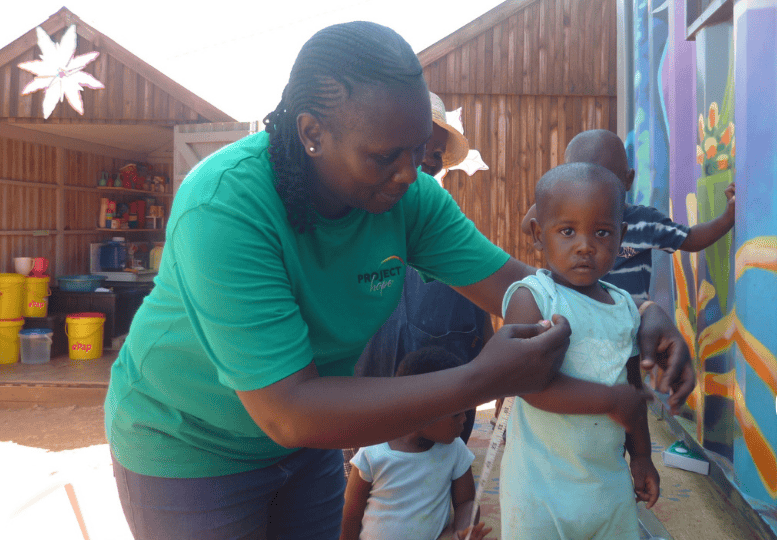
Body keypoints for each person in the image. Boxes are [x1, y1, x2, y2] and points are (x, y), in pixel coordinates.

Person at [103, 22, 690, 540]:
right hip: (189, 445)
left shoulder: (408, 200)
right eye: (385, 156)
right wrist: (477, 380)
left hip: (310, 448)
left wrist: (636, 312)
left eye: (417, 152)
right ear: (312, 133)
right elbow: (289, 408)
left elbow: (529, 293)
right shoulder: (226, 206)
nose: (410, 175)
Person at [501, 162, 660, 539]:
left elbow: (633, 394)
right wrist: (608, 400)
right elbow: (527, 384)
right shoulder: (534, 298)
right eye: (567, 231)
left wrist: (641, 456)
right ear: (539, 234)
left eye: (602, 232)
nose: (585, 245)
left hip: (607, 487)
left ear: (620, 237)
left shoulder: (624, 309)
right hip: (537, 490)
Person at [353, 92, 493, 447]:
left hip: (440, 446)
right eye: (397, 154)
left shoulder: (453, 242)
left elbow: (490, 323)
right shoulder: (344, 231)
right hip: (363, 431)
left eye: (431, 158)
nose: (416, 170)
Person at [522, 129, 736, 300]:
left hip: (631, 329)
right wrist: (555, 195)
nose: (591, 190)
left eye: (602, 180)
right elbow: (527, 225)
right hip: (575, 323)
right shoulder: (561, 218)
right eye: (580, 179)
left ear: (627, 180)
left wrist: (728, 217)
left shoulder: (644, 223)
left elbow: (690, 239)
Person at [341, 347, 493, 540]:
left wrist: (462, 532)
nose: (464, 419)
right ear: (422, 412)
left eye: (466, 411)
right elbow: (351, 516)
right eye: (456, 414)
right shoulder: (373, 451)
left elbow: (466, 503)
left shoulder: (455, 450)